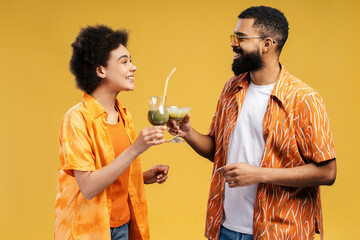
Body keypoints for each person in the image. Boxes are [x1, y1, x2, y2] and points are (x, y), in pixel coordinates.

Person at [168, 6, 336, 240]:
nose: (233, 44)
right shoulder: (231, 88)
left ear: (267, 44)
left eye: (241, 38)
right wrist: (187, 132)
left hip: (280, 232)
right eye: (234, 37)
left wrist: (259, 174)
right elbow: (217, 152)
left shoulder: (304, 99)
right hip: (225, 227)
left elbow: (327, 172)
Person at [54, 25, 169, 240]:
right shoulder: (76, 119)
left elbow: (108, 173)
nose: (133, 67)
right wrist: (135, 149)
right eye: (124, 62)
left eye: (130, 60)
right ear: (100, 70)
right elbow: (88, 187)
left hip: (122, 226)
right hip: (89, 230)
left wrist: (141, 177)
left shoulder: (123, 113)